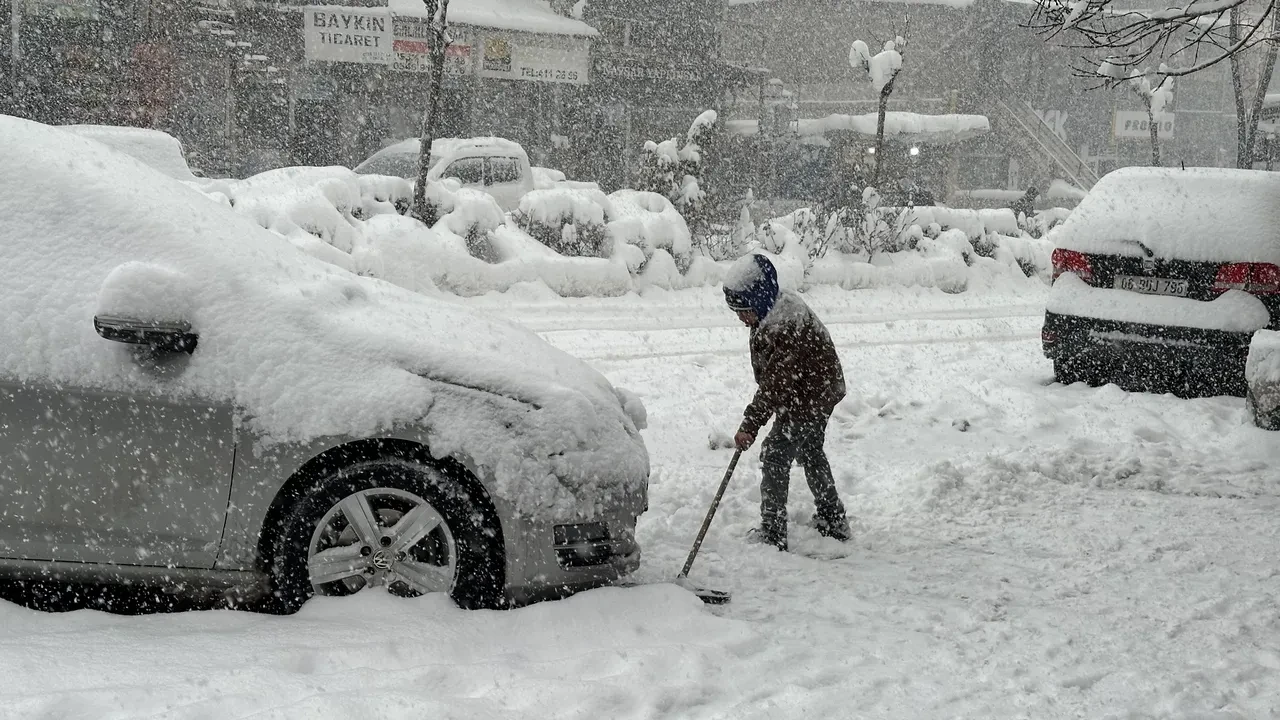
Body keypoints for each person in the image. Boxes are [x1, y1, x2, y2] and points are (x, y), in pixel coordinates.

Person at [724, 254, 851, 551]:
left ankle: (773, 532)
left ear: (760, 301)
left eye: (744, 311)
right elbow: (777, 380)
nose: (742, 319)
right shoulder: (772, 311)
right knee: (810, 449)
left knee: (774, 454)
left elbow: (775, 385)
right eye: (737, 312)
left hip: (809, 397)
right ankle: (833, 520)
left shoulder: (784, 324)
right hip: (816, 389)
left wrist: (750, 425)